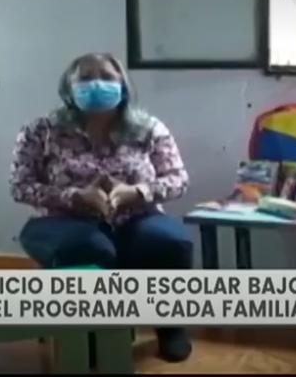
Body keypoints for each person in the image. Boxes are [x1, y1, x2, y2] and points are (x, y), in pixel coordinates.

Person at [11, 53, 193, 363]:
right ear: (68, 87)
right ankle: (92, 336)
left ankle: (170, 327)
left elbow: (178, 179)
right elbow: (20, 185)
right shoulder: (41, 130)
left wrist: (137, 192)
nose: (96, 84)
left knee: (170, 243)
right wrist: (74, 196)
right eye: (85, 77)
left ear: (123, 84)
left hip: (137, 216)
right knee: (89, 249)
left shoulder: (148, 128)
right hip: (61, 220)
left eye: (107, 76)